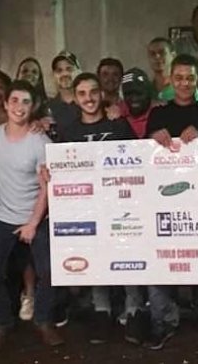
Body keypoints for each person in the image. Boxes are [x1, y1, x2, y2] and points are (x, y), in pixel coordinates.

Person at [0, 80, 63, 352]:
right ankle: (3, 323)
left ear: (33, 106)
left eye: (26, 102)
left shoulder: (40, 141)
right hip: (0, 215)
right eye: (14, 100)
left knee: (50, 273)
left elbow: (46, 188)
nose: (19, 107)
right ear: (5, 104)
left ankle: (43, 320)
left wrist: (32, 223)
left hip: (36, 216)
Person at [57, 73, 138, 344]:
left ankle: (134, 311)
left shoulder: (119, 124)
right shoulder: (68, 131)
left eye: (93, 92)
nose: (89, 98)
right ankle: (101, 311)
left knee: (128, 256)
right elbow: (62, 170)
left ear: (102, 94)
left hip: (121, 204)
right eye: (82, 93)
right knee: (96, 256)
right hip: (86, 206)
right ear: (75, 98)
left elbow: (137, 161)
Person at [144, 54, 198, 350]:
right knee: (160, 263)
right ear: (170, 80)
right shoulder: (158, 115)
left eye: (190, 78)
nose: (184, 83)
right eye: (179, 78)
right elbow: (143, 156)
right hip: (164, 201)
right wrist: (152, 138)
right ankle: (162, 322)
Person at [48, 51, 82, 134]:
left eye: (69, 69)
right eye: (59, 70)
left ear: (79, 72)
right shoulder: (47, 108)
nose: (64, 74)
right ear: (53, 75)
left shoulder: (88, 104)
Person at [121, 68, 155, 139]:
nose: (134, 99)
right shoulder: (117, 114)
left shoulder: (162, 115)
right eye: (129, 94)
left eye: (139, 93)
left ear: (148, 94)